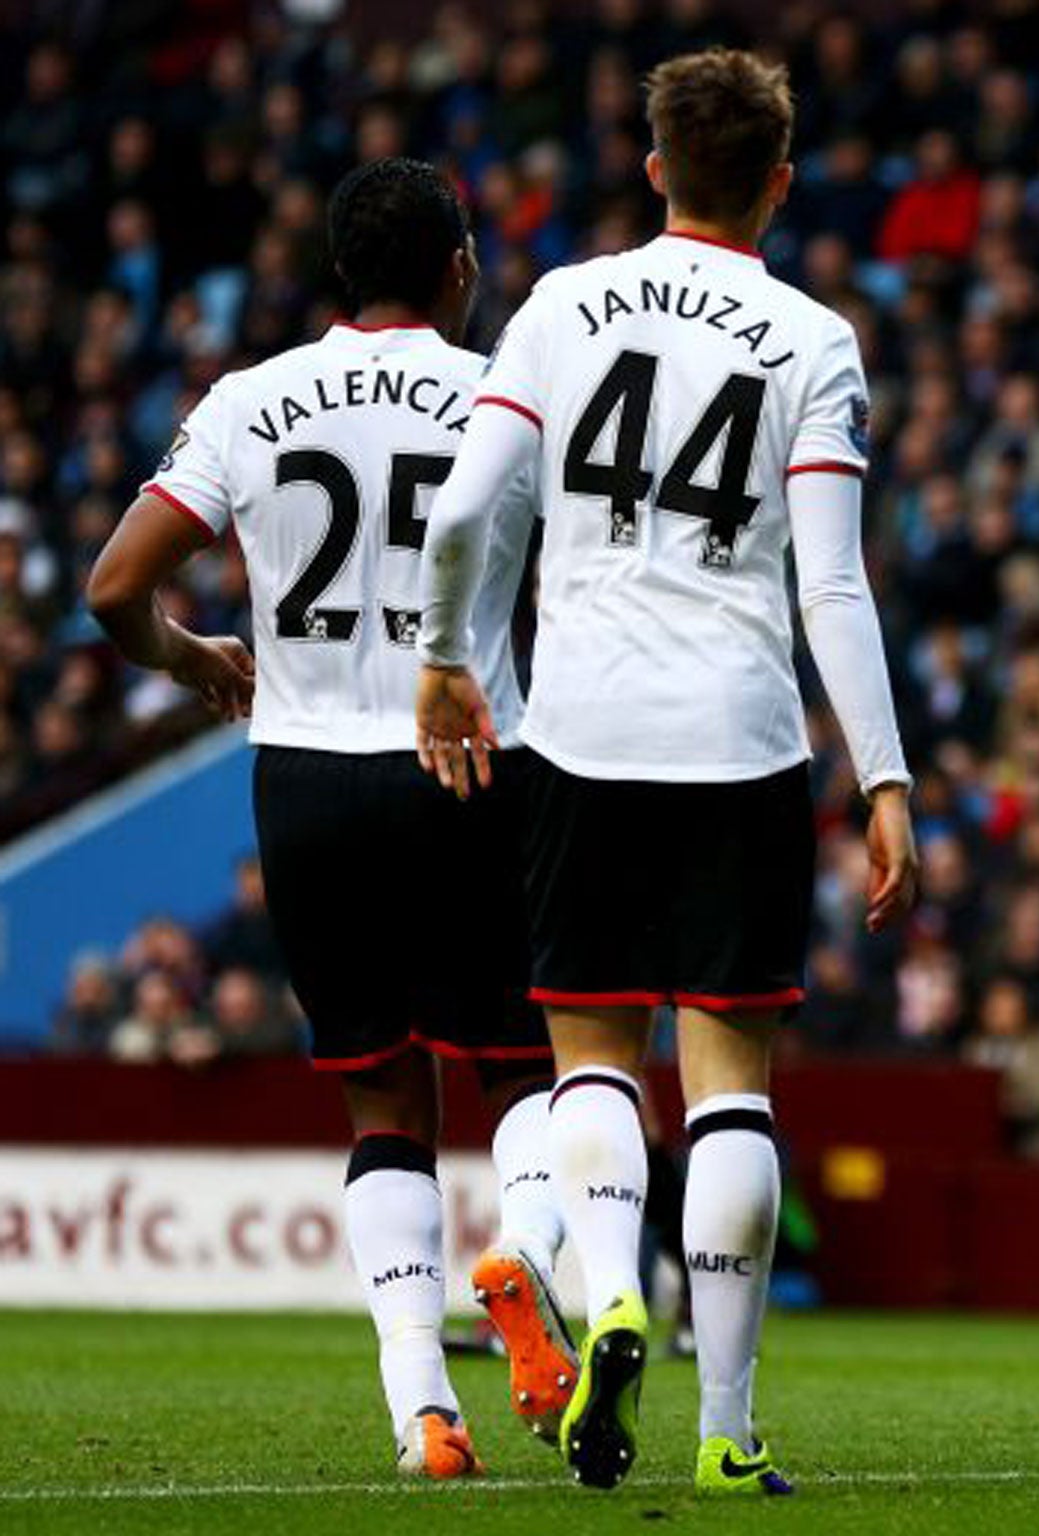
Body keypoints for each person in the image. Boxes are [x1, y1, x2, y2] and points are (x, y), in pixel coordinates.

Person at [413, 49, 918, 1495]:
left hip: (580, 735)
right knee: (733, 1084)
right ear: (780, 179)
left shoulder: (561, 305)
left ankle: (609, 1285)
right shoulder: (813, 337)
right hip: (742, 743)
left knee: (590, 1062)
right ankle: (729, 1431)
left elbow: (466, 509)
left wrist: (448, 654)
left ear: (652, 168)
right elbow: (834, 585)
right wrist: (884, 778)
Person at [86, 159, 572, 1479]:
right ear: (460, 271)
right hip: (471, 758)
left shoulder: (251, 401)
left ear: (335, 278)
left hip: (305, 783)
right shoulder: (503, 397)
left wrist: (192, 656)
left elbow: (115, 586)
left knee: (381, 1104)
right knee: (530, 1063)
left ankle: (425, 1412)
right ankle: (523, 1261)